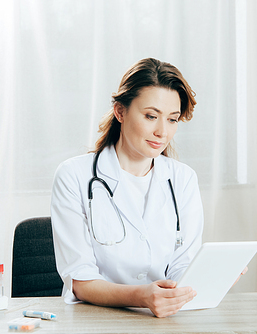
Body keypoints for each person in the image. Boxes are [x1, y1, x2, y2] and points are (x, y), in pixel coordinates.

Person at [51, 58, 203, 318]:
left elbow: (182, 268)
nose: (162, 132)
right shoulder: (74, 176)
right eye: (151, 116)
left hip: (163, 322)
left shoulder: (183, 179)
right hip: (95, 321)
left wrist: (206, 278)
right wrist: (142, 296)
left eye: (172, 120)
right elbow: (80, 279)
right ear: (120, 112)